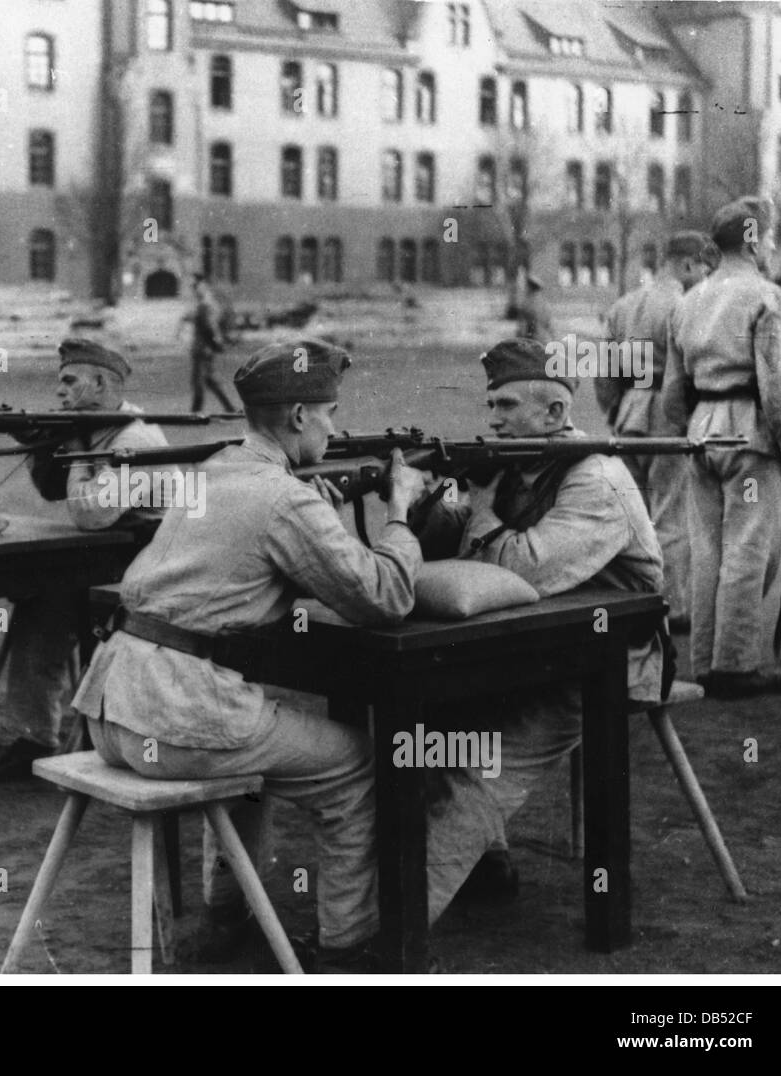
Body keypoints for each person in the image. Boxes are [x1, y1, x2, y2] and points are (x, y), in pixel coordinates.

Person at [69, 337, 509, 972]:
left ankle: (229, 915)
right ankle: (350, 948)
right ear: (299, 417)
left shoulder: (220, 467)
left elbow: (246, 567)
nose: (334, 428)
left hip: (114, 704)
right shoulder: (285, 497)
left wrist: (321, 530)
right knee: (358, 766)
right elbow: (385, 596)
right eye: (329, 413)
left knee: (258, 751)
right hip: (175, 716)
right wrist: (399, 511)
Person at [415, 337, 664, 899]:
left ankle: (385, 934)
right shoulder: (514, 465)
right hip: (528, 649)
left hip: (608, 662)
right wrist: (431, 499)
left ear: (555, 413)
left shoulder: (593, 478)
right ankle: (485, 861)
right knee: (424, 724)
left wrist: (478, 511)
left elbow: (526, 570)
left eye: (507, 408)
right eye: (490, 406)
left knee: (479, 774)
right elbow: (443, 546)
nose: (493, 421)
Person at [0, 338, 173, 781]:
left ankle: (54, 738)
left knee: (48, 603)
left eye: (69, 381)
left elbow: (90, 513)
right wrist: (39, 445)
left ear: (101, 384)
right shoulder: (100, 427)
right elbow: (52, 488)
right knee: (37, 602)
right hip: (113, 560)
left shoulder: (135, 436)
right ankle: (35, 736)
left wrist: (78, 450)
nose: (59, 391)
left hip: (153, 569)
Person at [662, 196, 781, 698]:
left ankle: (704, 662)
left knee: (708, 553)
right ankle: (737, 665)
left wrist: (693, 432)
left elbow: (672, 393)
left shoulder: (688, 300)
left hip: (702, 435)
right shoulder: (768, 297)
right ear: (750, 239)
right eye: (765, 234)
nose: (769, 243)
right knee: (748, 552)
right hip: (751, 436)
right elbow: (778, 387)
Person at [596, 232, 716, 632]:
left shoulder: (623, 305)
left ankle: (630, 601)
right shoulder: (684, 305)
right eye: (701, 267)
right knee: (670, 515)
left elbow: (605, 375)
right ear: (685, 264)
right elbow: (691, 370)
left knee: (632, 516)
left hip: (629, 414)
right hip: (667, 416)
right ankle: (671, 605)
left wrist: (615, 411)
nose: (703, 275)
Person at [187, 275, 239, 413]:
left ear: (203, 285)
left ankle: (195, 412)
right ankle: (230, 408)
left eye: (195, 286)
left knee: (198, 381)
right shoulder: (207, 303)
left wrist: (217, 343)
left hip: (202, 349)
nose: (194, 290)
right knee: (211, 380)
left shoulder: (205, 304)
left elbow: (210, 327)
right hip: (206, 347)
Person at [515, 274, 555, 343]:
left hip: (531, 342)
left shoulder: (526, 304)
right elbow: (550, 325)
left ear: (530, 288)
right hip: (545, 341)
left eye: (526, 286)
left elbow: (522, 329)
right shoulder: (545, 304)